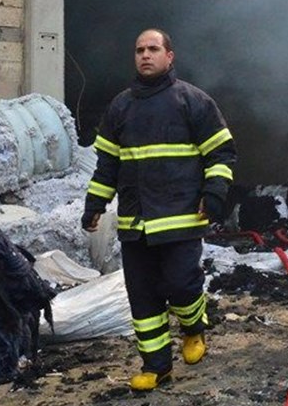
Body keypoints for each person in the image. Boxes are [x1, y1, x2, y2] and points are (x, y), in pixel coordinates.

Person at [81, 28, 236, 391]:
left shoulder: (193, 101)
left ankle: (194, 327)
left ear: (170, 56)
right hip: (136, 222)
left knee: (182, 284)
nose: (145, 55)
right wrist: (95, 204)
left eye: (153, 49)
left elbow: (221, 153)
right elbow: (107, 165)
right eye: (139, 50)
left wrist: (214, 193)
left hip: (181, 218)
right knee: (143, 296)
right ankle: (156, 366)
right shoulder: (120, 106)